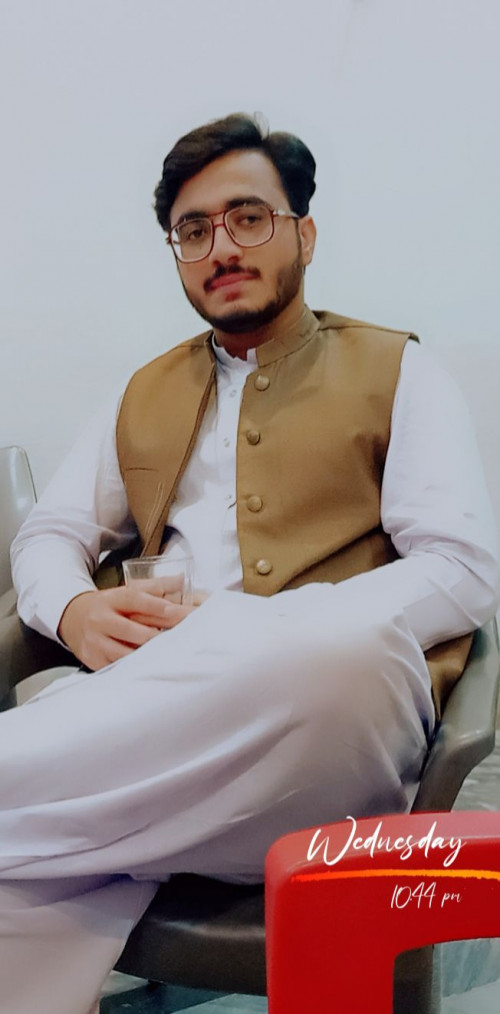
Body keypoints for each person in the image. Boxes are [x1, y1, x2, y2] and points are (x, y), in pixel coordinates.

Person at [1, 113, 498, 1014]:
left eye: (248, 217)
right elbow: (48, 535)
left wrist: (251, 628)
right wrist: (73, 611)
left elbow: (462, 567)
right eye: (193, 230)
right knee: (21, 883)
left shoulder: (398, 369)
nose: (221, 246)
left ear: (304, 233)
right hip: (159, 715)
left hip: (325, 723)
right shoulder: (141, 391)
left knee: (343, 653)